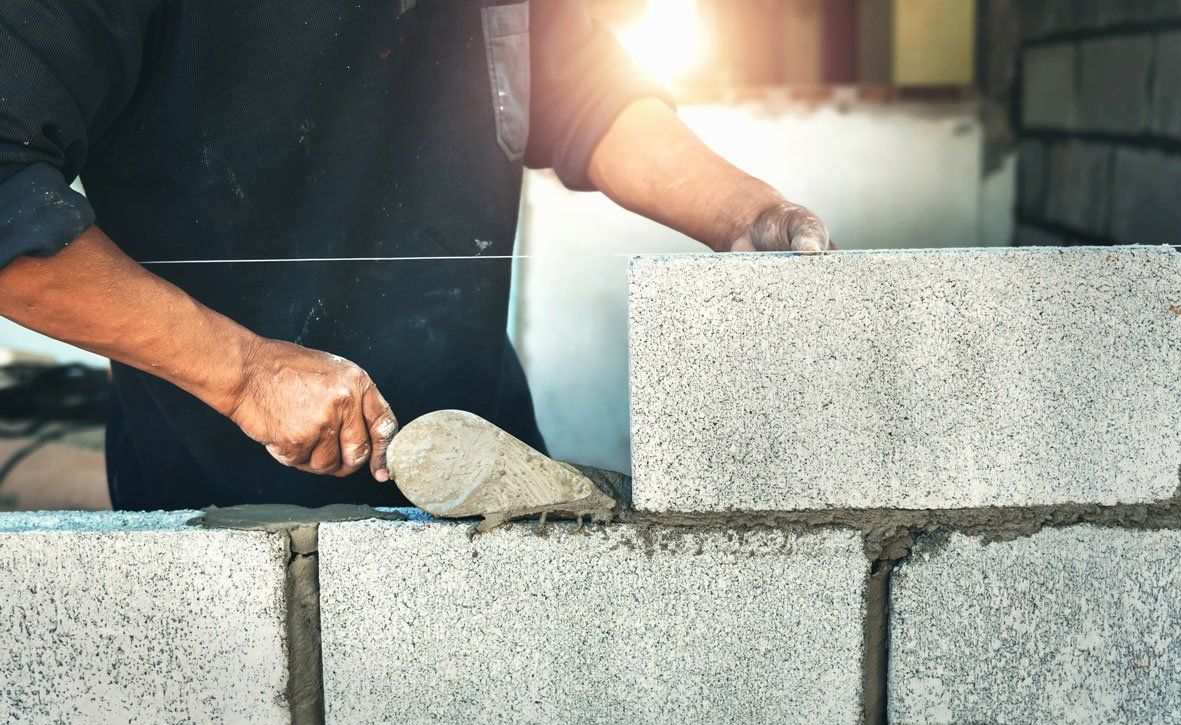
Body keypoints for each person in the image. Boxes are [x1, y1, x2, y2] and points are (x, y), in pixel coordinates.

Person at [0, 0, 830, 510]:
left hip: (490, 476)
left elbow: (580, 88)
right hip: (218, 511)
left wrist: (745, 212)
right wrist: (247, 374)